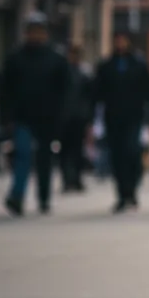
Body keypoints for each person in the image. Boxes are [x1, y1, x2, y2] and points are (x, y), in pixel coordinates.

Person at [0, 12, 71, 216]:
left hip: (48, 118)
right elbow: (6, 89)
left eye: (39, 32)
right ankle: (17, 195)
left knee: (44, 160)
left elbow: (65, 90)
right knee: (22, 155)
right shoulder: (16, 58)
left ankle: (43, 197)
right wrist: (7, 116)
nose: (35, 36)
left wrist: (61, 116)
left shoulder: (56, 59)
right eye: (32, 32)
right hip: (23, 116)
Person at [93, 32, 149, 212]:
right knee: (117, 157)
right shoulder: (106, 66)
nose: (120, 44)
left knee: (132, 152)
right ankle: (122, 194)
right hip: (113, 117)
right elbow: (97, 93)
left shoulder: (139, 65)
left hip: (134, 116)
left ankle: (132, 189)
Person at [59, 45, 93, 193]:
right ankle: (67, 179)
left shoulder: (84, 74)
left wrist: (88, 117)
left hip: (79, 117)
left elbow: (90, 97)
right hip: (64, 117)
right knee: (65, 150)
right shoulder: (61, 72)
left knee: (78, 150)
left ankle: (77, 179)